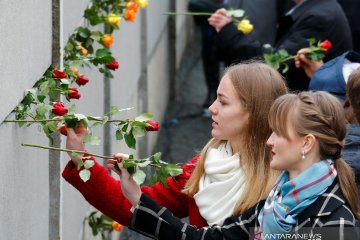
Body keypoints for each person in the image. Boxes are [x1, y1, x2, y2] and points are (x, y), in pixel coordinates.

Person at [62, 62, 288, 228]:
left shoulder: (286, 183)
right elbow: (137, 208)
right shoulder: (207, 162)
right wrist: (81, 159)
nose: (211, 107)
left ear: (252, 114)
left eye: (223, 101)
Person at [114, 91, 360, 239]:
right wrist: (137, 196)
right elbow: (204, 238)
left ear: (307, 143)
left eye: (279, 133)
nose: (269, 141)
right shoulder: (277, 202)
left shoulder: (333, 223)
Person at [208, 0, 353, 92]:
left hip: (312, 104)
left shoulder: (318, 16)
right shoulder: (319, 7)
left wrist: (229, 31)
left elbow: (274, 60)